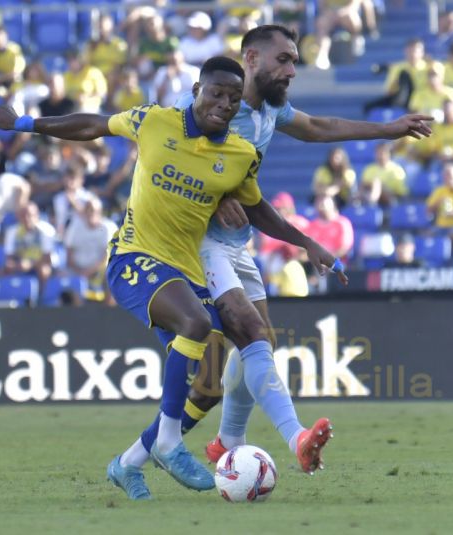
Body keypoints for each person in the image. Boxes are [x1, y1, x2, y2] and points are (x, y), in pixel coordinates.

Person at [0, 56, 344, 501]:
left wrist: (306, 241)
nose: (224, 104)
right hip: (134, 258)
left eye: (233, 99)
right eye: (216, 93)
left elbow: (256, 208)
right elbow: (92, 125)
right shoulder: (153, 121)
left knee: (209, 384)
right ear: (196, 89)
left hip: (185, 272)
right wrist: (22, 123)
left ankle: (129, 463)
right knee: (197, 325)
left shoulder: (239, 155)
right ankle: (170, 443)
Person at [173, 26, 430, 472]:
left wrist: (387, 129)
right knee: (238, 353)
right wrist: (217, 196)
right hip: (197, 243)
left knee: (253, 349)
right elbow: (168, 160)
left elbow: (316, 127)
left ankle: (218, 443)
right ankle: (290, 440)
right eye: (284, 60)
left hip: (236, 243)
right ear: (251, 59)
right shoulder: (209, 110)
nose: (292, 69)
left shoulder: (270, 108)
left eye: (294, 60)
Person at [64, 196, 117, 299]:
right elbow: (68, 254)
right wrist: (80, 272)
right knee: (61, 279)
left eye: (94, 211)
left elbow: (107, 257)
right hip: (76, 270)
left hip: (99, 271)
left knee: (111, 275)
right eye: (88, 210)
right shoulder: (75, 226)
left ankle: (109, 312)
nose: (91, 213)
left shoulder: (108, 228)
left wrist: (88, 272)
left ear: (100, 212)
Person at [1, 201, 57, 296]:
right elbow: (9, 255)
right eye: (23, 215)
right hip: (20, 263)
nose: (27, 219)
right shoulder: (12, 232)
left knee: (44, 271)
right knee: (3, 271)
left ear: (37, 215)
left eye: (30, 215)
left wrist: (30, 264)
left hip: (42, 263)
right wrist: (14, 264)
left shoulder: (46, 230)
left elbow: (47, 257)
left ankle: (40, 301)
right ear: (18, 217)